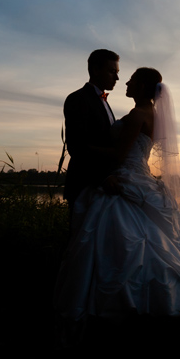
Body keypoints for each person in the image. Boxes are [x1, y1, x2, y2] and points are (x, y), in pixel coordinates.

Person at [54, 67, 180, 321]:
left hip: (126, 177)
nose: (125, 82)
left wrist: (84, 147)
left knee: (118, 240)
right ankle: (155, 302)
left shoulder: (138, 115)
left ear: (142, 87)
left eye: (132, 80)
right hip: (141, 176)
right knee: (151, 242)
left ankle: (118, 305)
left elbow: (118, 154)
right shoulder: (153, 114)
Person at [63, 50, 120, 228]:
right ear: (95, 70)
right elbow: (76, 146)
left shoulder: (103, 101)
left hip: (105, 187)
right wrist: (103, 178)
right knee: (81, 242)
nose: (117, 78)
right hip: (85, 184)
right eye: (112, 72)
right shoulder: (77, 99)